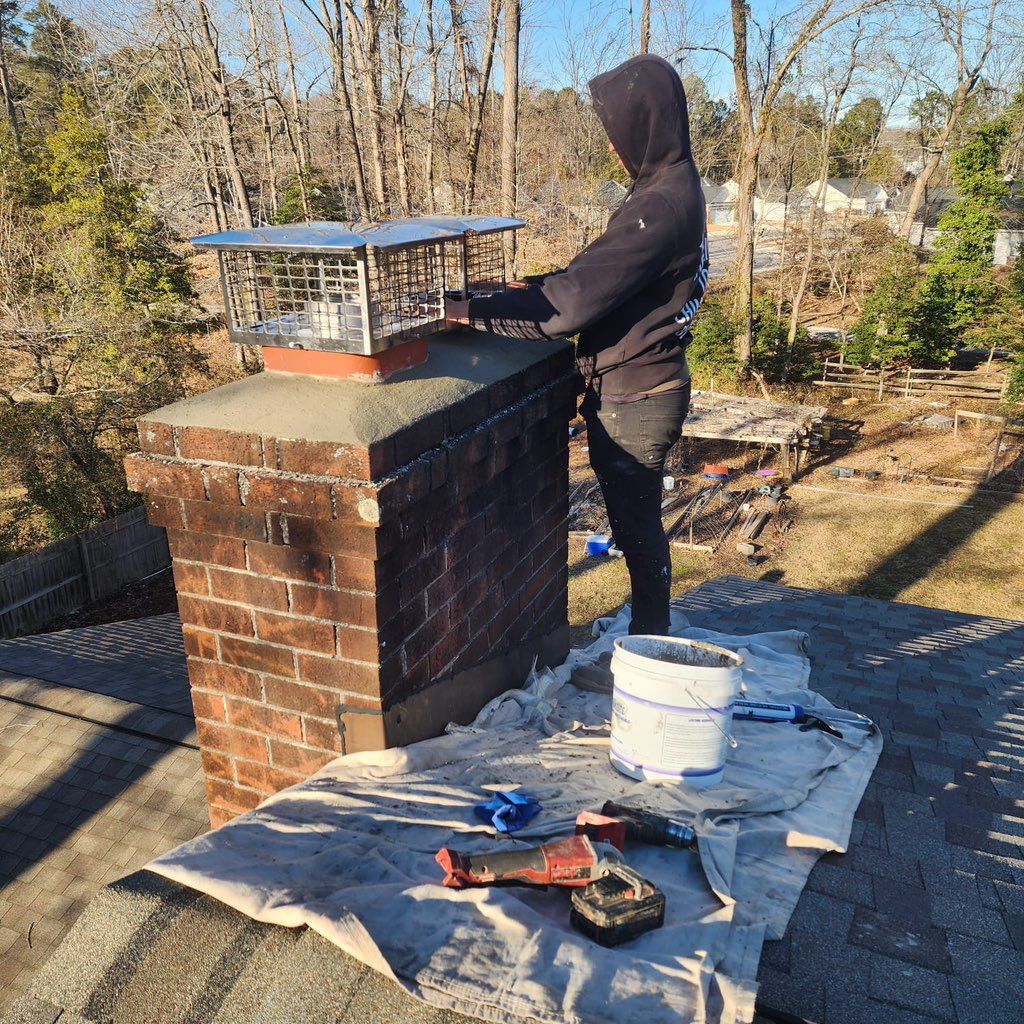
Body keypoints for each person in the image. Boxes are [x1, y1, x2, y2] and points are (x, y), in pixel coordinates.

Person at [445, 53, 708, 636]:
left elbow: (570, 307)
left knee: (637, 529)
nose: (614, 147)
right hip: (645, 383)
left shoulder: (661, 205)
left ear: (646, 125)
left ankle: (649, 651)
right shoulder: (673, 183)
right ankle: (651, 637)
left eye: (619, 132)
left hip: (637, 397)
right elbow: (602, 275)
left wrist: (469, 311)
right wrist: (525, 286)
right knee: (638, 527)